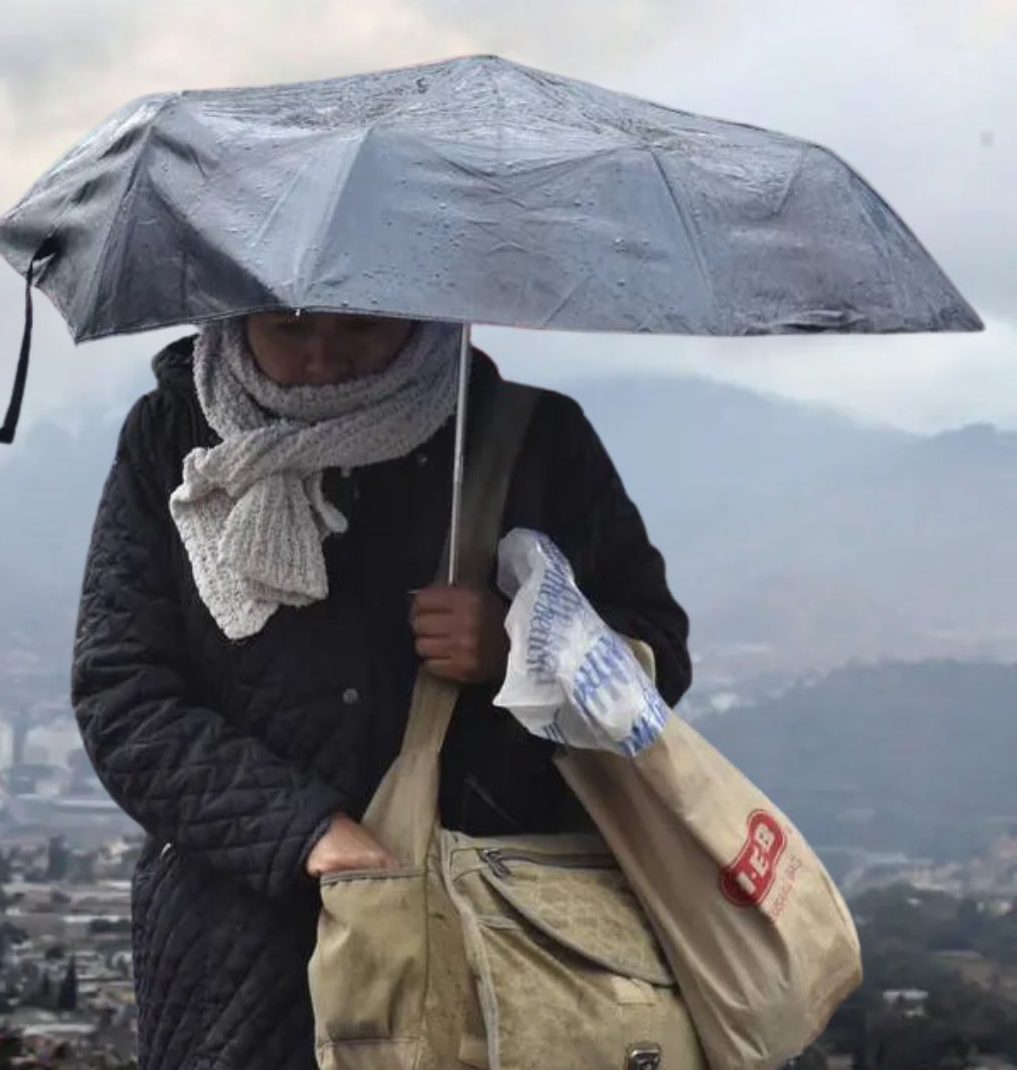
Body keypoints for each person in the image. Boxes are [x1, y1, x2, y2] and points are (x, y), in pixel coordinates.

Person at [73, 311, 688, 1070]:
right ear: (233, 309)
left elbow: (657, 659)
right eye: (289, 327)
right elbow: (123, 697)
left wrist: (517, 645)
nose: (324, 357)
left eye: (361, 327)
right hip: (241, 963)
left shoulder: (529, 439)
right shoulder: (174, 438)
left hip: (491, 951)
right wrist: (299, 829)